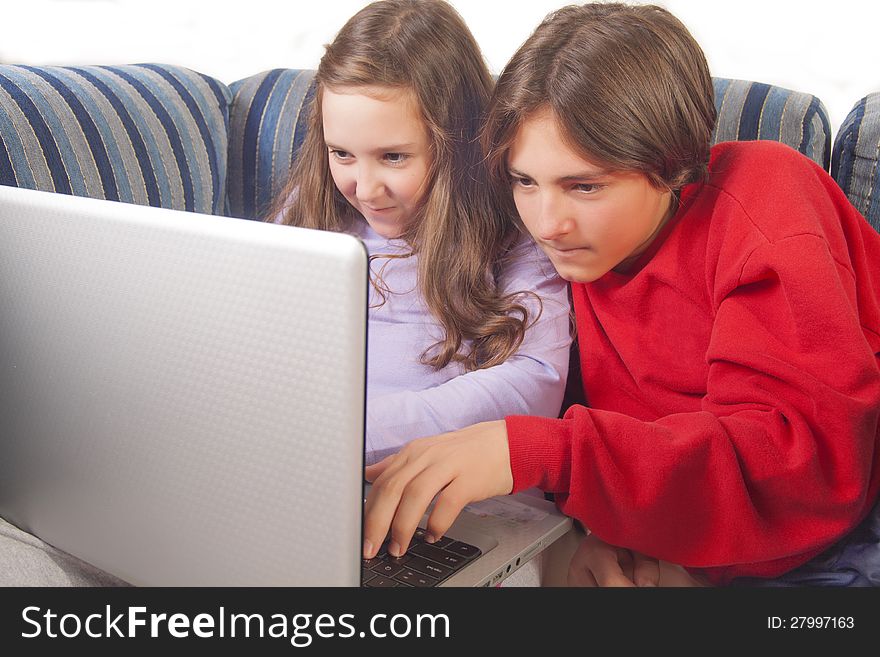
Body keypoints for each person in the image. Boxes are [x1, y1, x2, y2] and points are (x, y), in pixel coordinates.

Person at [363, 2, 880, 587]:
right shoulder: (582, 249)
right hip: (682, 530)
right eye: (524, 180)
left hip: (822, 539)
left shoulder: (768, 198)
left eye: (585, 186)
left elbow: (798, 471)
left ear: (672, 163)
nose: (546, 223)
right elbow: (635, 441)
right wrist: (603, 532)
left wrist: (544, 454)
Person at [268, 0, 571, 467]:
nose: (365, 189)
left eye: (393, 157)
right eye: (342, 154)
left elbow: (533, 383)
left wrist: (347, 434)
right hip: (308, 468)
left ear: (457, 144)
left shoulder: (516, 234)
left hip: (447, 494)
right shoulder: (311, 211)